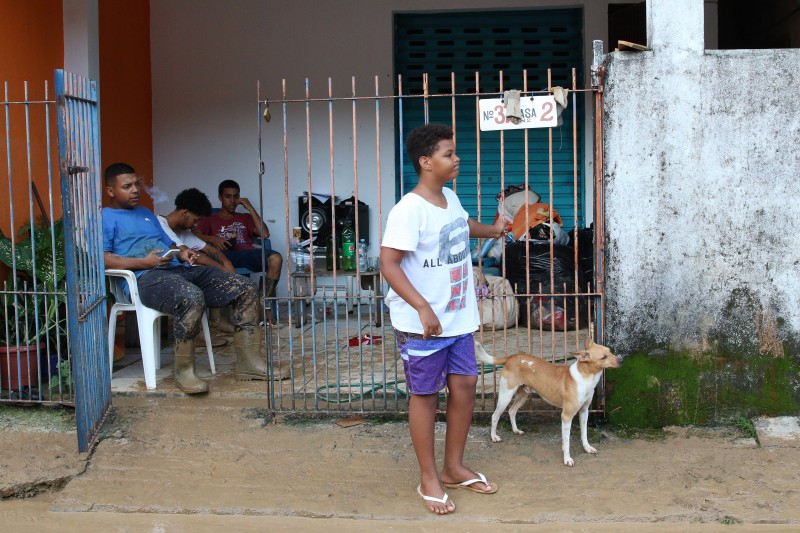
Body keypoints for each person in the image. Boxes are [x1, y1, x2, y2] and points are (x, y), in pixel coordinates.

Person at [380, 124, 506, 515]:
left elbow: (462, 227)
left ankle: (453, 467)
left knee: (465, 386)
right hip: (424, 322)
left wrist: (494, 229)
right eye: (449, 154)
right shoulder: (408, 210)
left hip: (457, 318)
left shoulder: (449, 197)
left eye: (454, 152)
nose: (457, 159)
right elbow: (388, 263)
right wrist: (421, 307)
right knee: (425, 395)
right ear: (425, 161)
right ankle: (429, 477)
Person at [102, 163, 269, 394]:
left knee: (245, 287)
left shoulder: (146, 214)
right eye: (127, 186)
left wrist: (181, 252)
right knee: (190, 296)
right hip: (144, 279)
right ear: (111, 191)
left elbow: (169, 244)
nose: (135, 190)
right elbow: (103, 259)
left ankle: (249, 364)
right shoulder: (105, 217)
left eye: (136, 185)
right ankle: (184, 371)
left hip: (175, 271)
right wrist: (144, 262)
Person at [194, 179, 282, 323]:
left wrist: (250, 208)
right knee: (209, 263)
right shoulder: (210, 218)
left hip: (246, 253)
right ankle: (219, 319)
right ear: (220, 198)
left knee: (276, 258)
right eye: (228, 196)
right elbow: (194, 235)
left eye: (236, 196)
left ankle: (262, 302)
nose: (232, 200)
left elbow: (265, 234)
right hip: (222, 255)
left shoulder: (245, 217)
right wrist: (212, 238)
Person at [158, 188, 237, 337]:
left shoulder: (182, 231)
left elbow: (209, 250)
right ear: (185, 213)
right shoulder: (160, 224)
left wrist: (227, 264)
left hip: (179, 275)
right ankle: (199, 330)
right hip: (163, 277)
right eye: (196, 220)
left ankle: (213, 322)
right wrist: (221, 269)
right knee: (206, 271)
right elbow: (191, 254)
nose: (196, 225)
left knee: (212, 269)